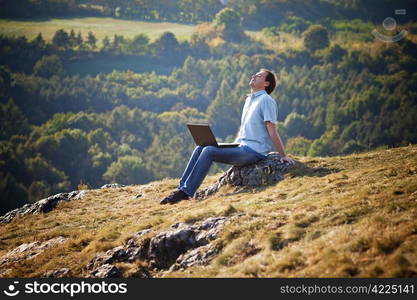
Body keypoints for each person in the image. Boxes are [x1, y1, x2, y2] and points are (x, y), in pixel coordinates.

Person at [160, 68, 295, 205]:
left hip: (254, 151)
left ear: (266, 84)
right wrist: (232, 145)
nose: (254, 76)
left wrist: (282, 155)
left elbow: (272, 130)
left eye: (259, 76)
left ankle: (186, 193)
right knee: (202, 146)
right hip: (241, 146)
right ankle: (181, 189)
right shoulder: (249, 100)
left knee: (209, 151)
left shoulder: (266, 100)